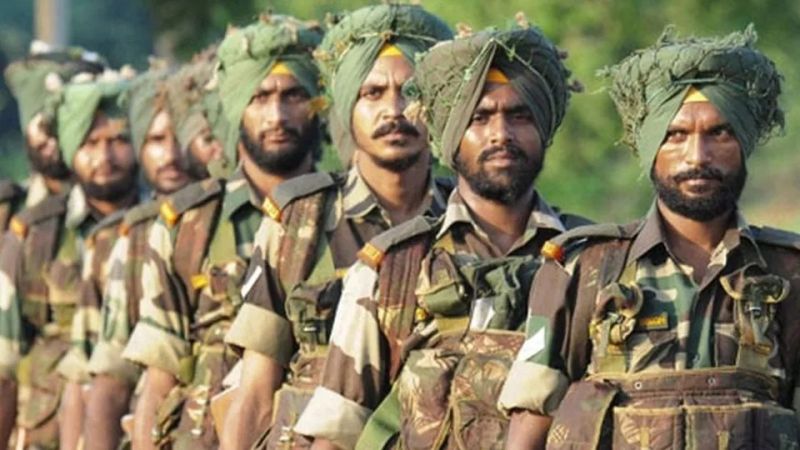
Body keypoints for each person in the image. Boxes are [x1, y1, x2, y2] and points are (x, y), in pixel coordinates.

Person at [500, 26, 800, 450]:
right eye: (675, 135)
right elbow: (530, 424)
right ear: (650, 147)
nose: (697, 156)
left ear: (744, 144)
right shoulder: (582, 268)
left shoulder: (788, 274)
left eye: (719, 133)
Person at [296, 20, 586, 450]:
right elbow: (337, 432)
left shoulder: (589, 258)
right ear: (449, 136)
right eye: (479, 117)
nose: (501, 134)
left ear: (544, 129)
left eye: (520, 115)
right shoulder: (392, 268)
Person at [221, 5, 453, 449]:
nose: (394, 111)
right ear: (347, 107)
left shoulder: (462, 223)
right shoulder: (299, 222)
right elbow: (254, 393)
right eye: (372, 93)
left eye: (411, 92)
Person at [121, 14, 324, 449]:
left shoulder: (348, 217)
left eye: (293, 95)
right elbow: (159, 378)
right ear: (236, 107)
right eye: (259, 97)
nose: (276, 115)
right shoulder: (189, 225)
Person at [0, 68, 137, 450]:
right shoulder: (34, 235)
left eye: (119, 140)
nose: (105, 157)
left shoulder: (165, 226)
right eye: (91, 143)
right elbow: (3, 370)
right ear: (71, 148)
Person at [80, 64, 194, 450]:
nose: (171, 155)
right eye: (156, 139)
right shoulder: (133, 238)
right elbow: (107, 384)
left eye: (180, 137)